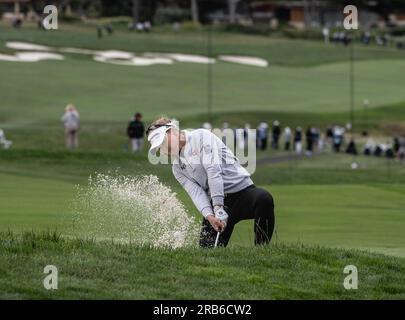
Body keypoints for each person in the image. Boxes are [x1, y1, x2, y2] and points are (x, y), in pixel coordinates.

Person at [146, 118, 275, 248]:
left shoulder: (201, 136)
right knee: (207, 253)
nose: (164, 149)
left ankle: (261, 249)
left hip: (242, 192)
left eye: (163, 142)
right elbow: (196, 193)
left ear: (172, 131)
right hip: (215, 205)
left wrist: (218, 206)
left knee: (264, 199)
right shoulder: (177, 168)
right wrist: (210, 216)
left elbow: (213, 170)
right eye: (160, 147)